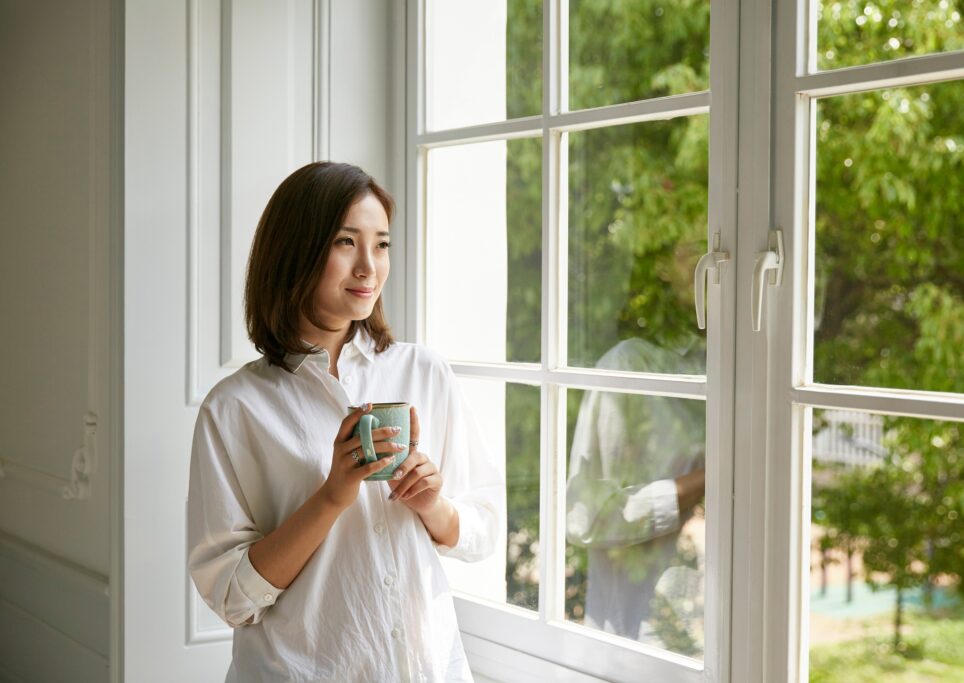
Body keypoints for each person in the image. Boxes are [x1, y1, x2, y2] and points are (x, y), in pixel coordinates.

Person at [187, 162, 503, 682]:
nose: (369, 267)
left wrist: (432, 505)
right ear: (295, 250)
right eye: (345, 242)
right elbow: (231, 597)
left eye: (381, 244)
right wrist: (333, 495)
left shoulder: (423, 371)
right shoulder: (235, 407)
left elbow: (483, 529)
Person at [566, 338, 706, 651]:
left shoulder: (736, 372)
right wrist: (708, 478)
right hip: (635, 630)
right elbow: (589, 516)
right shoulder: (627, 364)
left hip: (707, 623)